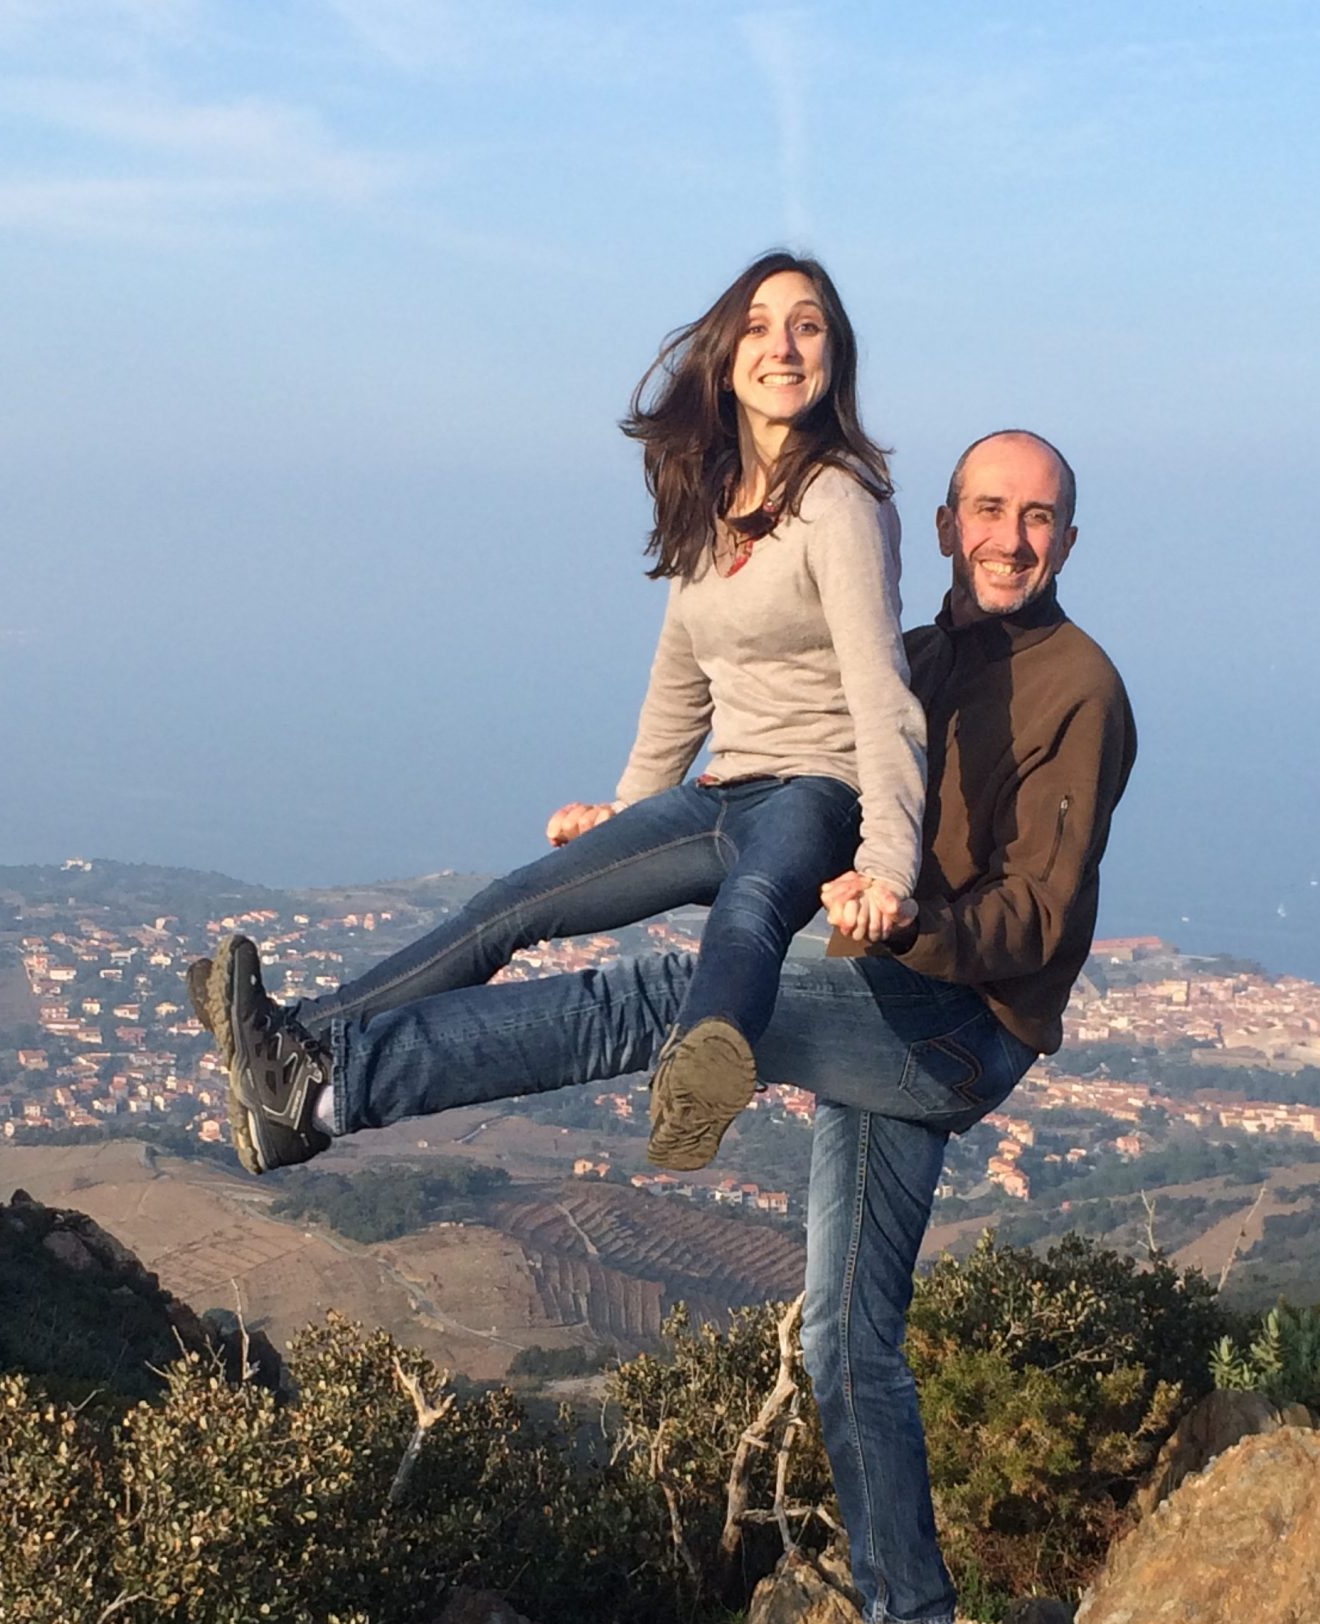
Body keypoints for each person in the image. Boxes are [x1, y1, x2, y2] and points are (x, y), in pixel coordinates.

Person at [191, 428, 1135, 1624]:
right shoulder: (918, 664)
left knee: (653, 1004)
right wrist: (647, 819)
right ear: (944, 526)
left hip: (946, 1029)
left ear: (1070, 541)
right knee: (841, 1337)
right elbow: (799, 781)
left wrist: (899, 920)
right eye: (989, 509)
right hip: (888, 1003)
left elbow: (1043, 916)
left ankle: (332, 1090)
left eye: (1039, 517)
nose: (1011, 536)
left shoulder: (1079, 686)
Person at [205, 252, 925, 1175]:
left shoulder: (842, 501)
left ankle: (699, 1078)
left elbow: (883, 695)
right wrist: (627, 809)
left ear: (835, 357)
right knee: (511, 906)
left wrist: (887, 865)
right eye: (758, 325)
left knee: (749, 914)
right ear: (725, 356)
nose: (783, 346)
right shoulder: (713, 503)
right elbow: (681, 680)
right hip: (717, 794)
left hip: (815, 794)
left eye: (808, 325)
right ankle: (296, 1044)